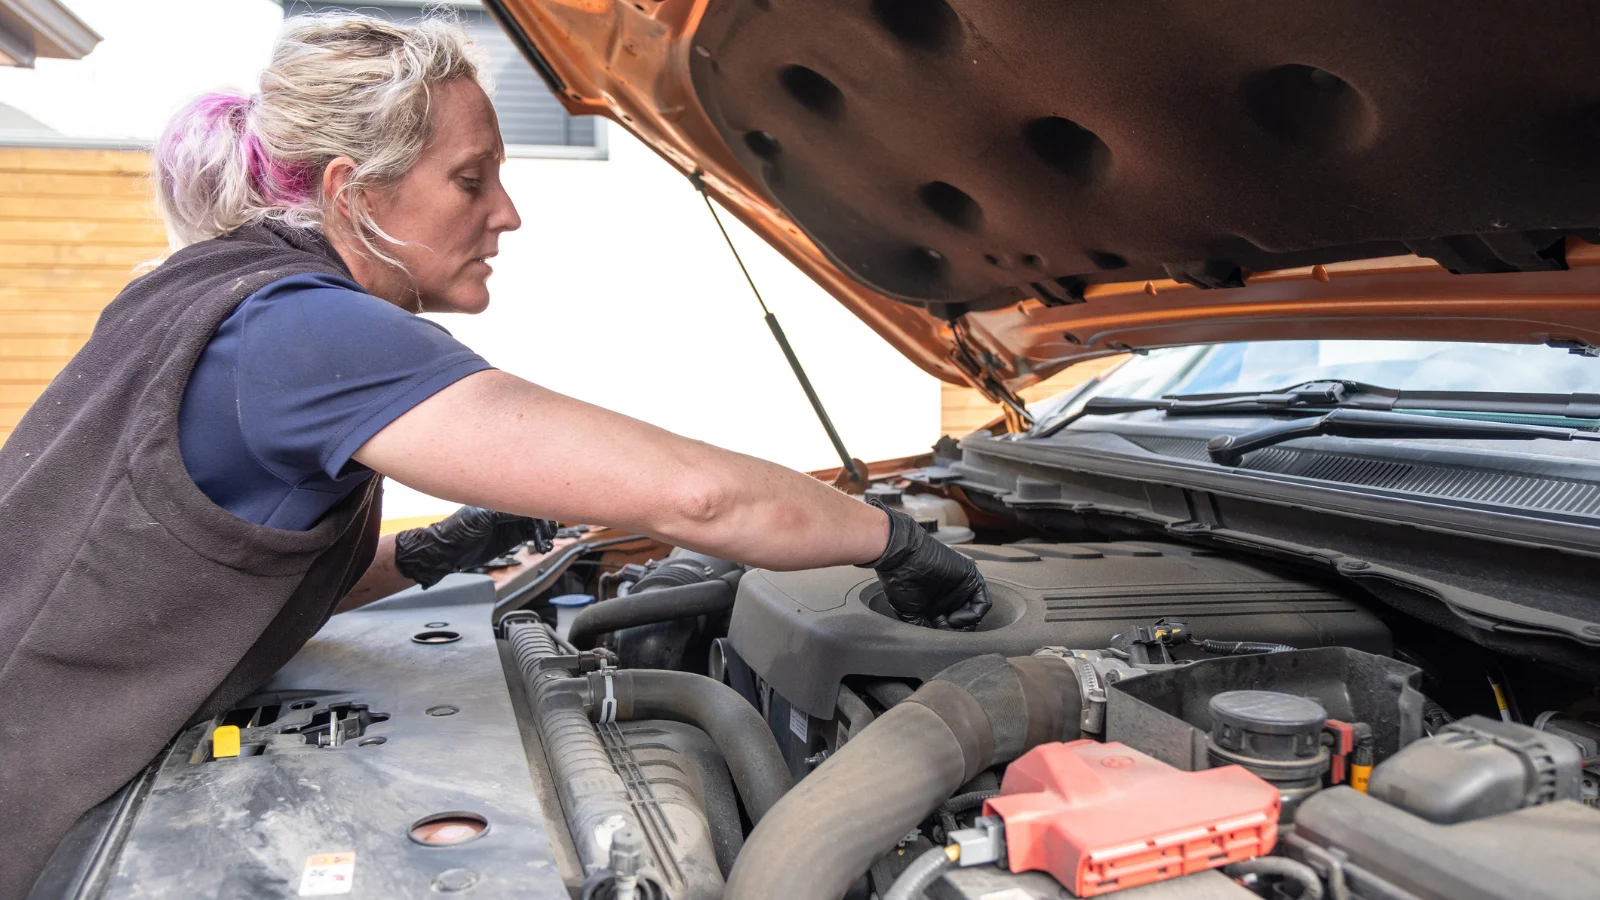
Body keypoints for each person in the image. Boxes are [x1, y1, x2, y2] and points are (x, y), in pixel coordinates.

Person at [0, 12, 990, 896]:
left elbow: (204, 591)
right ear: (354, 194)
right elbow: (698, 498)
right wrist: (894, 543)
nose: (506, 212)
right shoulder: (301, 334)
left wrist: (442, 549)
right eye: (471, 178)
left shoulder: (214, 298)